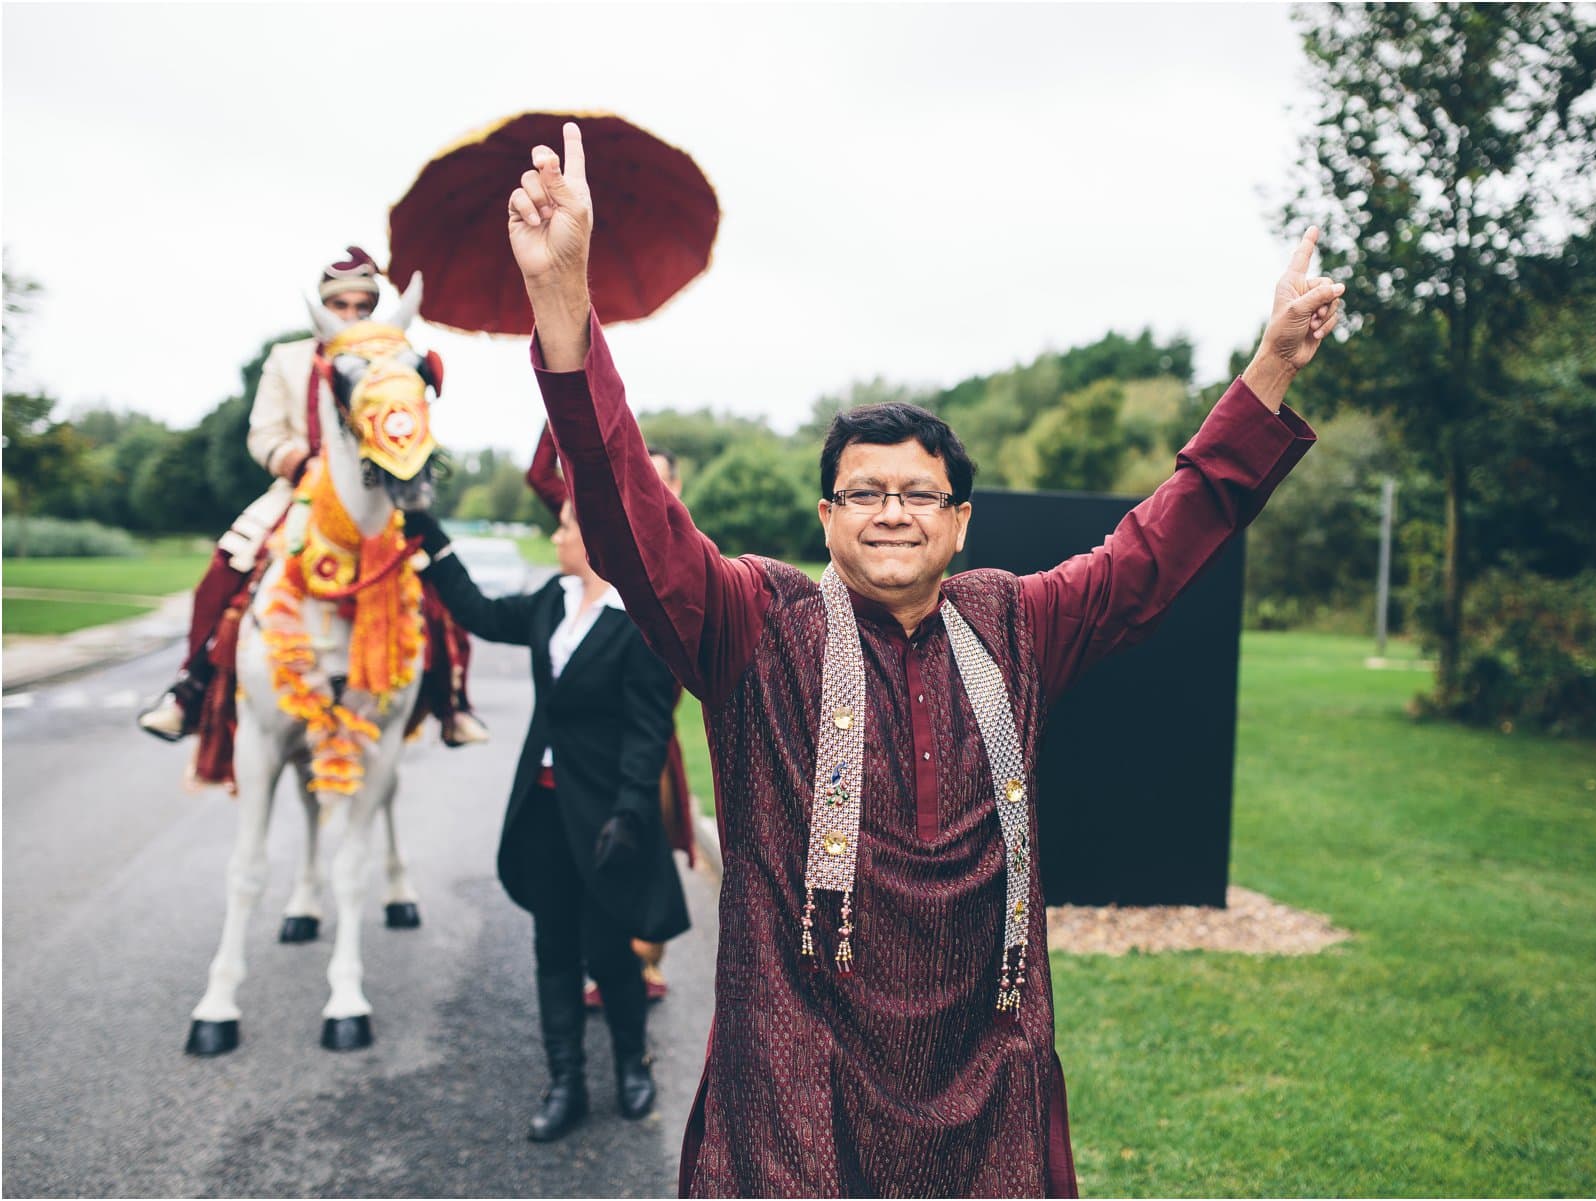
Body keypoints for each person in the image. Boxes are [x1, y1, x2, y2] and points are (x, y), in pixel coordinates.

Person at [510, 124, 1342, 1195]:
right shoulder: (753, 621)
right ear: (826, 516)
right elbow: (630, 518)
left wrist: (1269, 367)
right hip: (798, 1083)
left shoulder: (1019, 623)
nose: (892, 512)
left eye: (919, 493)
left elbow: (1157, 549)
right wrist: (568, 306)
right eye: (865, 490)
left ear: (959, 524)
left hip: (985, 1078)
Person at [406, 498, 691, 1139]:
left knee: (611, 952)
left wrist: (630, 813)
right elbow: (478, 612)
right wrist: (436, 543)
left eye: (566, 525)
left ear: (593, 541)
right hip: (541, 809)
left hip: (601, 817)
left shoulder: (636, 623)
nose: (557, 533)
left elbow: (649, 731)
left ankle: (630, 1066)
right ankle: (565, 1083)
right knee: (553, 947)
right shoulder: (550, 603)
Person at [137, 247, 488, 749]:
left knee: (437, 574)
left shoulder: (392, 355)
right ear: (325, 306)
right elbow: (263, 434)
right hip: (299, 488)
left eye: (362, 304)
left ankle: (454, 701)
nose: (351, 314)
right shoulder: (287, 359)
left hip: (378, 491)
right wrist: (298, 461)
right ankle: (189, 685)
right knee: (229, 561)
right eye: (340, 304)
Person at [527, 425, 695, 1006]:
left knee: (649, 835)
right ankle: (606, 962)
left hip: (653, 721)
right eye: (637, 475)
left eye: (657, 477)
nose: (643, 487)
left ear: (675, 486)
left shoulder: (686, 548)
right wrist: (562, 417)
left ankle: (645, 959)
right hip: (598, 724)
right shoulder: (595, 527)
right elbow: (541, 480)